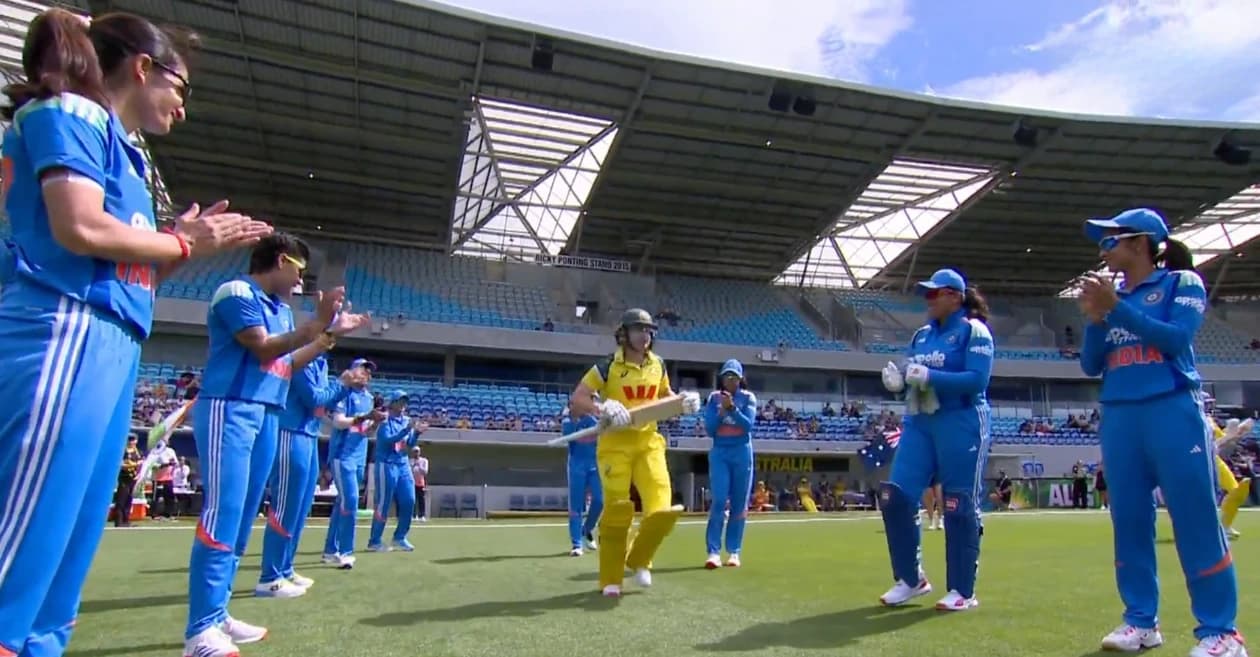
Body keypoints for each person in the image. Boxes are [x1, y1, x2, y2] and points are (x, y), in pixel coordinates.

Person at [0, 9, 272, 657]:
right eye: (178, 86)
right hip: (65, 326)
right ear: (142, 67)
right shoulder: (73, 112)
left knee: (67, 553)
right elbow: (79, 228)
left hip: (112, 338)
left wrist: (174, 238)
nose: (182, 106)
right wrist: (183, 242)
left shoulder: (118, 145)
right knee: (26, 549)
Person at [183, 234, 369, 657]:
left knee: (245, 514)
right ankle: (199, 631)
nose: (302, 280)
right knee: (224, 511)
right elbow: (263, 348)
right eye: (299, 270)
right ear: (281, 261)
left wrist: (326, 337)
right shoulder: (236, 292)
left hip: (266, 411)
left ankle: (217, 613)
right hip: (229, 408)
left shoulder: (282, 311)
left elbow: (285, 362)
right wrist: (318, 323)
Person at [1075, 207, 1243, 657]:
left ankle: (1221, 632)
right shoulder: (1113, 298)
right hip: (1120, 415)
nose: (1103, 247)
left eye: (1112, 239)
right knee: (1128, 521)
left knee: (1196, 519)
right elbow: (1092, 364)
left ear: (1141, 243)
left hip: (1172, 409)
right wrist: (1096, 320)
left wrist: (1116, 310)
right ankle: (1140, 621)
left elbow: (1175, 340)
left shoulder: (1181, 283)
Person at [877, 267, 995, 612]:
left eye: (934, 294)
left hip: (961, 420)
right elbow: (914, 374)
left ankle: (962, 589)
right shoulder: (922, 335)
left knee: (957, 503)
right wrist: (900, 381)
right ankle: (911, 579)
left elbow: (977, 379)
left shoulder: (974, 331)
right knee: (895, 496)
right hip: (920, 421)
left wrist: (931, 376)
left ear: (954, 297)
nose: (927, 300)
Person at [569, 308, 701, 597]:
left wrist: (683, 402)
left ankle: (641, 559)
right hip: (614, 445)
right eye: (640, 329)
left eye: (649, 330)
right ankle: (611, 579)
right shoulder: (606, 367)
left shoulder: (659, 365)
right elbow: (577, 399)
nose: (646, 335)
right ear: (624, 333)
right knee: (617, 512)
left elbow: (665, 397)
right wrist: (601, 407)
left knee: (661, 508)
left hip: (648, 442)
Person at [255, 355, 362, 598]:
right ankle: (270, 577)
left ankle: (285, 568)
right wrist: (342, 384)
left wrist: (343, 388)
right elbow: (313, 398)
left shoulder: (321, 363)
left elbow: (322, 404)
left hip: (308, 434)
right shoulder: (302, 359)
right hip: (290, 432)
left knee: (300, 509)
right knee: (284, 508)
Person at [321, 358, 383, 568]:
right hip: (342, 455)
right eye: (363, 370)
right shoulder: (344, 393)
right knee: (352, 500)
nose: (367, 374)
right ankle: (346, 552)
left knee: (343, 503)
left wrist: (374, 422)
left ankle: (330, 549)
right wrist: (364, 416)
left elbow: (366, 431)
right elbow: (338, 422)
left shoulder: (368, 397)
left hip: (359, 456)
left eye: (369, 371)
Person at [702, 359, 756, 569]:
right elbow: (710, 429)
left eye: (734, 376)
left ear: (741, 378)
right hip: (720, 452)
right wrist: (721, 412)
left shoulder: (748, 397)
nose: (730, 380)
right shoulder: (714, 398)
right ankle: (713, 551)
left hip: (742, 451)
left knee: (739, 503)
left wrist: (733, 409)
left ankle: (734, 551)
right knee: (719, 499)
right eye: (727, 376)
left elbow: (748, 426)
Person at [367, 390, 428, 552]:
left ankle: (400, 537)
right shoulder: (385, 419)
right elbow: (388, 440)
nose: (403, 405)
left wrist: (416, 433)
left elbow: (408, 443)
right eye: (400, 401)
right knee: (383, 503)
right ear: (392, 403)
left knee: (409, 500)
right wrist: (407, 430)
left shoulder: (406, 420)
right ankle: (375, 540)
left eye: (404, 402)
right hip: (386, 464)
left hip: (402, 464)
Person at [562, 398, 602, 556]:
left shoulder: (593, 420)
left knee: (600, 500)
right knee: (576, 506)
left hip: (594, 465)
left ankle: (587, 529)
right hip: (576, 467)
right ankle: (576, 544)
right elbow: (567, 434)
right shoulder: (568, 422)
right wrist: (571, 418)